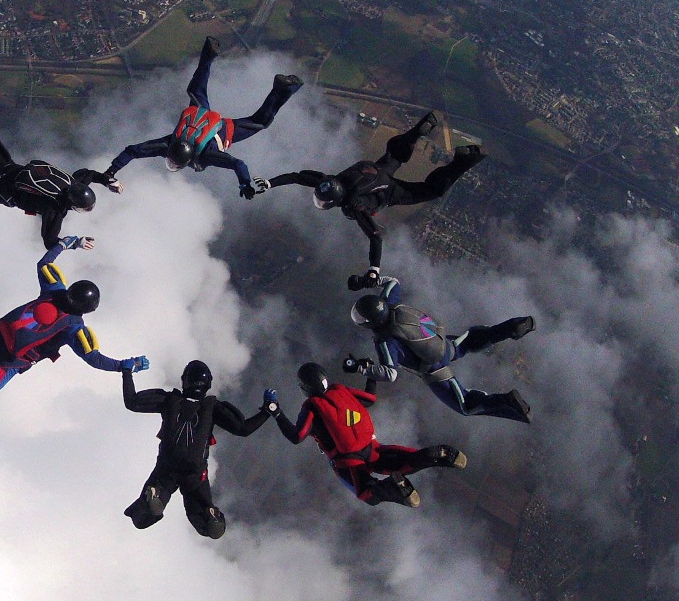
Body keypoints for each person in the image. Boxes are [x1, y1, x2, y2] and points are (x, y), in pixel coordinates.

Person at [265, 112, 487, 289]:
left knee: (432, 190)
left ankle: (467, 158)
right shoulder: (329, 180)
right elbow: (297, 177)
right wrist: (268, 183)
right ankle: (417, 132)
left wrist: (374, 269)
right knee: (396, 154)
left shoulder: (352, 207)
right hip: (377, 171)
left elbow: (375, 236)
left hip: (389, 192)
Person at [0, 236, 148, 406]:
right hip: (12, 358)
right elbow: (94, 358)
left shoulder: (54, 290)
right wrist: (125, 366)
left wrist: (67, 243)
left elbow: (44, 263)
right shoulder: (74, 328)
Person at [104, 36, 303, 199]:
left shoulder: (203, 154)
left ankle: (285, 88)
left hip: (225, 130)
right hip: (200, 115)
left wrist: (245, 184)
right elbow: (132, 151)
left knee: (260, 122)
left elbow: (238, 164)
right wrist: (111, 172)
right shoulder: (167, 145)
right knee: (196, 89)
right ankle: (209, 51)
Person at [263, 362, 467, 508]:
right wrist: (371, 375)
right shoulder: (340, 390)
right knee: (404, 461)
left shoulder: (312, 407)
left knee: (366, 493)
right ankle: (438, 455)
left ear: (305, 388)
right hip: (372, 447)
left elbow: (297, 436)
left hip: (348, 461)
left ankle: (395, 489)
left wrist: (276, 412)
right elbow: (370, 398)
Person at [347, 276, 534, 423]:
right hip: (443, 343)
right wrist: (368, 280)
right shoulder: (389, 302)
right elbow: (393, 282)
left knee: (465, 405)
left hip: (434, 369)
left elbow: (390, 374)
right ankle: (513, 327)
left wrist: (362, 368)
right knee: (469, 341)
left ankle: (508, 403)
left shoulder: (385, 341)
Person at [122, 360, 270, 538]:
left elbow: (132, 402)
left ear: (184, 381)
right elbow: (243, 429)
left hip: (167, 468)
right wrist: (267, 411)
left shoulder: (169, 400)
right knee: (199, 515)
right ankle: (209, 515)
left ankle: (155, 496)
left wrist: (126, 372)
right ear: (208, 384)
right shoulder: (213, 408)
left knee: (143, 516)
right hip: (196, 472)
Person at [0, 112, 122, 249]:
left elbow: (90, 174)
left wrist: (108, 181)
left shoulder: (74, 182)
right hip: (9, 191)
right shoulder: (55, 209)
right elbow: (50, 241)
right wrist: (76, 243)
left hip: (20, 171)